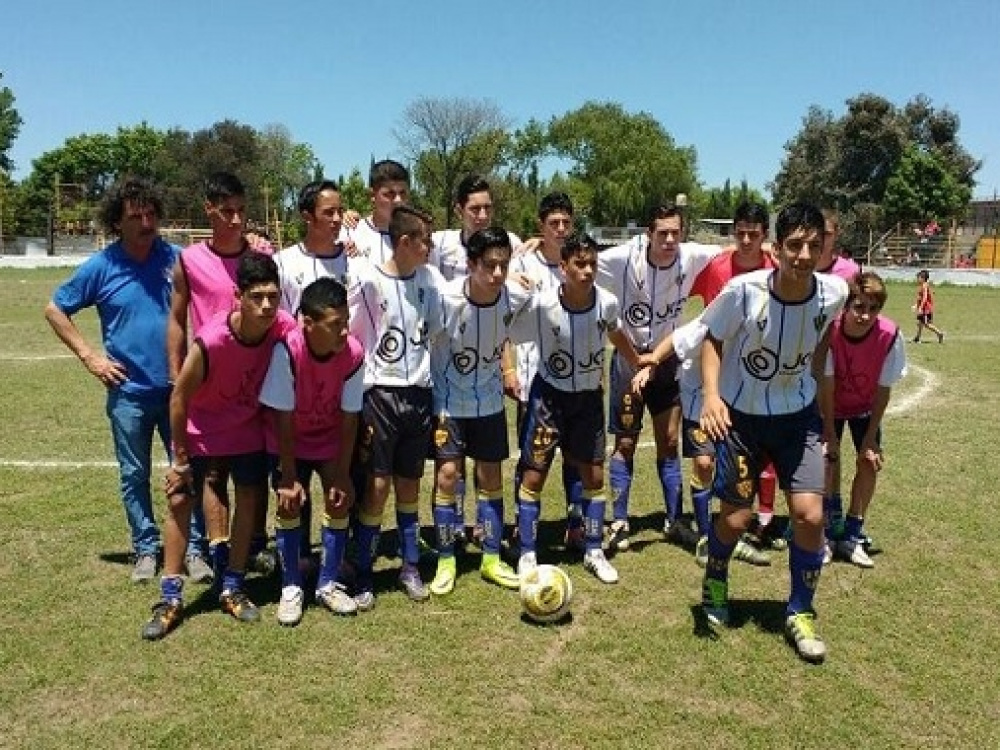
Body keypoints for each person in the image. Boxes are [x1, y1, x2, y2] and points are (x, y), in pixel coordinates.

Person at [698, 202, 847, 663]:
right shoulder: (744, 291)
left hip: (797, 418)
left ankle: (800, 611)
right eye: (795, 245)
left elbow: (821, 346)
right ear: (776, 248)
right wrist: (711, 396)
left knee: (810, 516)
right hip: (742, 419)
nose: (804, 255)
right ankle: (715, 576)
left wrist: (823, 416)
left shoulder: (834, 293)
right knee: (736, 519)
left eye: (813, 246)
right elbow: (712, 337)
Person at [44, 177, 210, 584]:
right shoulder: (102, 266)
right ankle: (146, 548)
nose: (147, 223)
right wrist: (91, 358)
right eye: (136, 216)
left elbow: (223, 273)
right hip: (128, 394)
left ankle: (195, 549)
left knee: (187, 468)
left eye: (151, 214)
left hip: (177, 390)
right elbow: (55, 310)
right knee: (133, 474)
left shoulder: (177, 260)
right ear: (117, 222)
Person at [142, 253, 295, 640]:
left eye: (273, 296)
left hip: (246, 431)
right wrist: (179, 459)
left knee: (249, 499)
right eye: (256, 297)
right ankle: (170, 598)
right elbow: (179, 398)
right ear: (237, 296)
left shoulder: (282, 326)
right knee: (180, 501)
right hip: (201, 432)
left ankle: (233, 585)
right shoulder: (211, 341)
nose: (266, 306)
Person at [635, 200, 775, 566]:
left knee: (741, 464)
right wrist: (651, 360)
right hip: (701, 386)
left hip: (746, 384)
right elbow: (685, 327)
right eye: (740, 233)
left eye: (754, 234)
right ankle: (704, 535)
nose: (746, 240)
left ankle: (735, 530)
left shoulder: (775, 271)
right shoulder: (716, 280)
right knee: (703, 463)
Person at [511, 233, 641, 585]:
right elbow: (508, 330)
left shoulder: (607, 302)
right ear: (563, 267)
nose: (587, 271)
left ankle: (594, 550)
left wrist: (637, 362)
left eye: (592, 264)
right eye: (579, 264)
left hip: (587, 401)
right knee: (534, 475)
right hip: (548, 399)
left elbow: (616, 333)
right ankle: (527, 552)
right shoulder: (542, 304)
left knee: (593, 476)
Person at [167, 172, 277, 582]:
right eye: (227, 211)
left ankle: (255, 545)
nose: (236, 220)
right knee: (213, 474)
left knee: (255, 474)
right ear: (208, 210)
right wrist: (177, 374)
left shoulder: (261, 253)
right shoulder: (189, 260)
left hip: (255, 381)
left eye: (241, 211)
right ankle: (219, 548)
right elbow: (177, 318)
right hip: (209, 382)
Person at [597, 202, 720, 553]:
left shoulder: (692, 255)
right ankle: (620, 521)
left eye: (675, 233)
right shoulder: (621, 258)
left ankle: (674, 520)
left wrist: (773, 247)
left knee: (669, 441)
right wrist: (530, 246)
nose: (669, 240)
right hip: (630, 359)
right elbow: (575, 259)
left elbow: (740, 250)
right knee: (625, 443)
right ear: (648, 233)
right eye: (662, 233)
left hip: (667, 361)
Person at [348, 204, 445, 608]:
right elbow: (353, 336)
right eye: (425, 240)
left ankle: (409, 566)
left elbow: (436, 330)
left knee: (409, 484)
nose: (430, 247)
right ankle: (363, 572)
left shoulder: (430, 279)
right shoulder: (369, 280)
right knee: (377, 486)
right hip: (381, 396)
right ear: (405, 241)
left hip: (418, 395)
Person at [428, 226, 530, 595]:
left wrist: (510, 370)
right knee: (447, 476)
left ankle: (491, 557)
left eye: (504, 265)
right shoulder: (445, 299)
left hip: (489, 401)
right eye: (489, 265)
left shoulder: (516, 296)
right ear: (471, 264)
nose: (498, 273)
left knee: (490, 477)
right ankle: (446, 560)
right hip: (448, 402)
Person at [259, 277, 365, 625]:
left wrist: (343, 473)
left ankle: (327, 584)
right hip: (288, 440)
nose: (344, 331)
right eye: (335, 324)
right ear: (307, 322)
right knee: (288, 502)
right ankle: (291, 586)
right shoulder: (287, 350)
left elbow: (350, 417)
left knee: (340, 498)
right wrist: (288, 476)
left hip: (328, 439)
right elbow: (283, 418)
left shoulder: (353, 354)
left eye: (346, 321)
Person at [508, 192, 585, 550]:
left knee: (575, 457)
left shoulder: (581, 262)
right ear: (541, 225)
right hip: (532, 382)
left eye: (566, 222)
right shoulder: (522, 263)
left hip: (576, 382)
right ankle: (522, 527)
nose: (561, 229)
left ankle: (577, 523)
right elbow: (504, 319)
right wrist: (507, 368)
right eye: (553, 223)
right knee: (531, 460)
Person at [822, 272, 907, 568]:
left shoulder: (889, 335)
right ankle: (830, 531)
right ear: (846, 306)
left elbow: (884, 389)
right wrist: (829, 433)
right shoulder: (829, 330)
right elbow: (826, 385)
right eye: (859, 307)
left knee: (869, 461)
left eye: (873, 309)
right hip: (830, 405)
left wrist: (871, 437)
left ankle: (852, 534)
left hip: (865, 408)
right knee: (828, 460)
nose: (865, 316)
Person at [342, 159, 410, 266]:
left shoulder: (417, 237)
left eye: (403, 193)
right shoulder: (350, 232)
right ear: (372, 195)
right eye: (390, 194)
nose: (398, 200)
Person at [818, 209, 861, 281]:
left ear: (836, 235)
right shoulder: (800, 268)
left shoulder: (851, 271)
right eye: (818, 233)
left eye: (827, 234)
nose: (822, 238)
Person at [912, 269, 944, 343]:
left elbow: (925, 297)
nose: (917, 279)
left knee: (926, 324)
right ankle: (917, 338)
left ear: (923, 278)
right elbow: (920, 298)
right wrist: (916, 305)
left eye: (918, 278)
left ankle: (939, 333)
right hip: (923, 308)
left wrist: (920, 307)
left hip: (926, 309)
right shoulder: (923, 286)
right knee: (919, 323)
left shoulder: (925, 286)